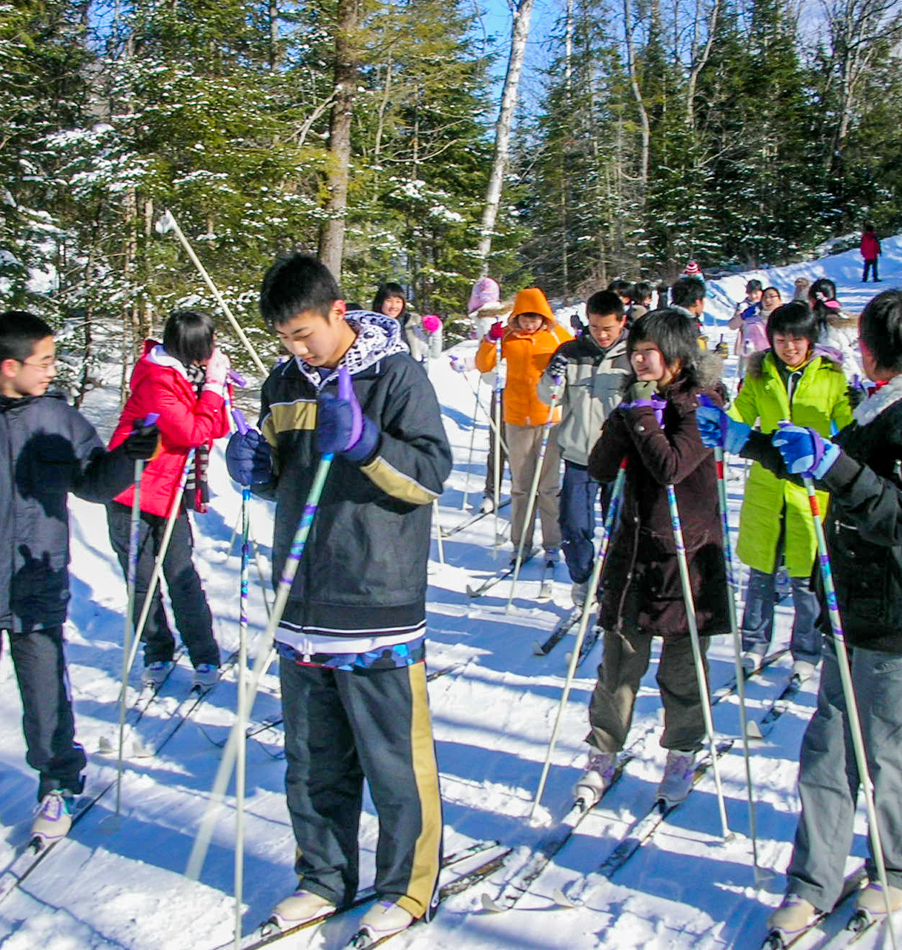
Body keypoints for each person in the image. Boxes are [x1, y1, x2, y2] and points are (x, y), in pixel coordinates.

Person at [225, 253, 451, 944]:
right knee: (313, 759)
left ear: (336, 312)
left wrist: (364, 441)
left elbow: (431, 476)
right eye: (283, 339)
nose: (296, 349)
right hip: (301, 603)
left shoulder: (396, 376)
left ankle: (408, 887)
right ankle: (323, 876)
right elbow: (281, 477)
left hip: (375, 597)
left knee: (392, 761)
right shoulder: (282, 384)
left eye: (304, 334)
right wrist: (256, 472)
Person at [697, 290, 902, 936]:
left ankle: (893, 872)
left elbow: (889, 510)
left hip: (894, 616)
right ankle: (813, 879)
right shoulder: (875, 405)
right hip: (850, 610)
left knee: (887, 755)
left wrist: (837, 466)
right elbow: (819, 465)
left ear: (867, 347)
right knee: (826, 751)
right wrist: (747, 441)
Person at [0, 310, 157, 843]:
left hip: (35, 574)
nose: (51, 370)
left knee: (44, 688)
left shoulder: (56, 419)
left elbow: (93, 483)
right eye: (42, 361)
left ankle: (58, 782)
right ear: (8, 366)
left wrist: (128, 458)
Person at [575, 309, 729, 809]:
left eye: (648, 353)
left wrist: (641, 417)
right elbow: (599, 467)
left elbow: (672, 467)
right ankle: (603, 751)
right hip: (634, 552)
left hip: (687, 556)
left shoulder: (703, 405)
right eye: (634, 352)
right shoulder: (635, 400)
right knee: (618, 666)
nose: (639, 361)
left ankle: (681, 751)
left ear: (678, 358)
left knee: (683, 673)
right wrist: (627, 418)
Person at [727, 302, 853, 681]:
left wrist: (832, 451)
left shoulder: (832, 377)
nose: (789, 348)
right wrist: (722, 422)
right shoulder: (760, 374)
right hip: (767, 485)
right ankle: (753, 642)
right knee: (761, 572)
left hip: (811, 489)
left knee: (804, 577)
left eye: (797, 340)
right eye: (781, 340)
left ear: (811, 340)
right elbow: (741, 415)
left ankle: (806, 649)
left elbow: (848, 425)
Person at [106, 310, 228, 688]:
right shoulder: (156, 380)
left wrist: (216, 385)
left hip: (169, 494)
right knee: (142, 581)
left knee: (182, 575)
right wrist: (211, 388)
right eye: (209, 343)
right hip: (131, 491)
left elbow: (217, 426)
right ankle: (157, 650)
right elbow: (192, 430)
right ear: (193, 347)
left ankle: (204, 656)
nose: (214, 349)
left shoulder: (189, 377)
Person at [537, 290, 630, 607]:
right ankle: (583, 578)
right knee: (574, 526)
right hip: (580, 457)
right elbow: (547, 398)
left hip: (621, 459)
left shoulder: (635, 355)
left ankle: (613, 584)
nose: (602, 335)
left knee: (619, 527)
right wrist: (553, 374)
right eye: (594, 328)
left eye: (608, 328)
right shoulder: (571, 352)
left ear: (622, 322)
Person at [474, 288, 573, 562]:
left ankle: (552, 542)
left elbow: (574, 359)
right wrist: (488, 340)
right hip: (516, 418)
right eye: (525, 318)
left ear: (544, 317)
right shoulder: (506, 337)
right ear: (516, 317)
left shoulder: (556, 336)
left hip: (549, 418)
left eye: (535, 318)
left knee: (549, 487)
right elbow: (484, 365)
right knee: (521, 486)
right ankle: (521, 543)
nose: (530, 323)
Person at [372, 281, 442, 364]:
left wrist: (436, 330)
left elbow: (433, 353)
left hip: (410, 374)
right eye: (389, 301)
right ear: (380, 302)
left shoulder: (409, 325)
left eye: (398, 301)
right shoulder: (370, 326)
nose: (394, 306)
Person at [808, 277, 863, 379]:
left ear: (811, 299)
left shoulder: (813, 324)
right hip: (851, 373)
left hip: (826, 377)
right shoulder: (844, 320)